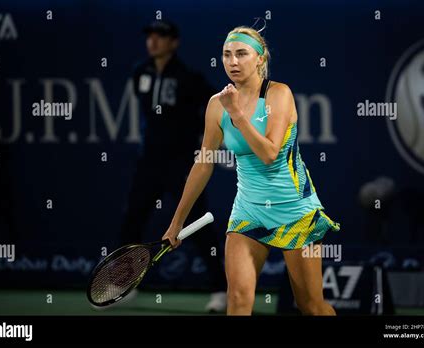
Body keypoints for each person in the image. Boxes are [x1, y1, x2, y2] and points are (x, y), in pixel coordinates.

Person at [162, 26, 341, 315]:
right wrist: (176, 223)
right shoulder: (215, 105)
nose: (233, 62)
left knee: (311, 306)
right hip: (248, 211)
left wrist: (237, 114)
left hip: (295, 210)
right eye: (226, 55)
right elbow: (204, 163)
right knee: (239, 300)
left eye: (241, 54)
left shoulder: (278, 94)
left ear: (260, 59)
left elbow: (269, 154)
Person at [121, 20, 227, 312]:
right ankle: (124, 285)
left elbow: (213, 111)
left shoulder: (189, 78)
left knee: (197, 226)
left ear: (174, 42)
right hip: (148, 162)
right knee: (132, 221)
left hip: (180, 164)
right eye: (150, 36)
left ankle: (220, 289)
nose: (153, 41)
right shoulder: (139, 72)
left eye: (161, 36)